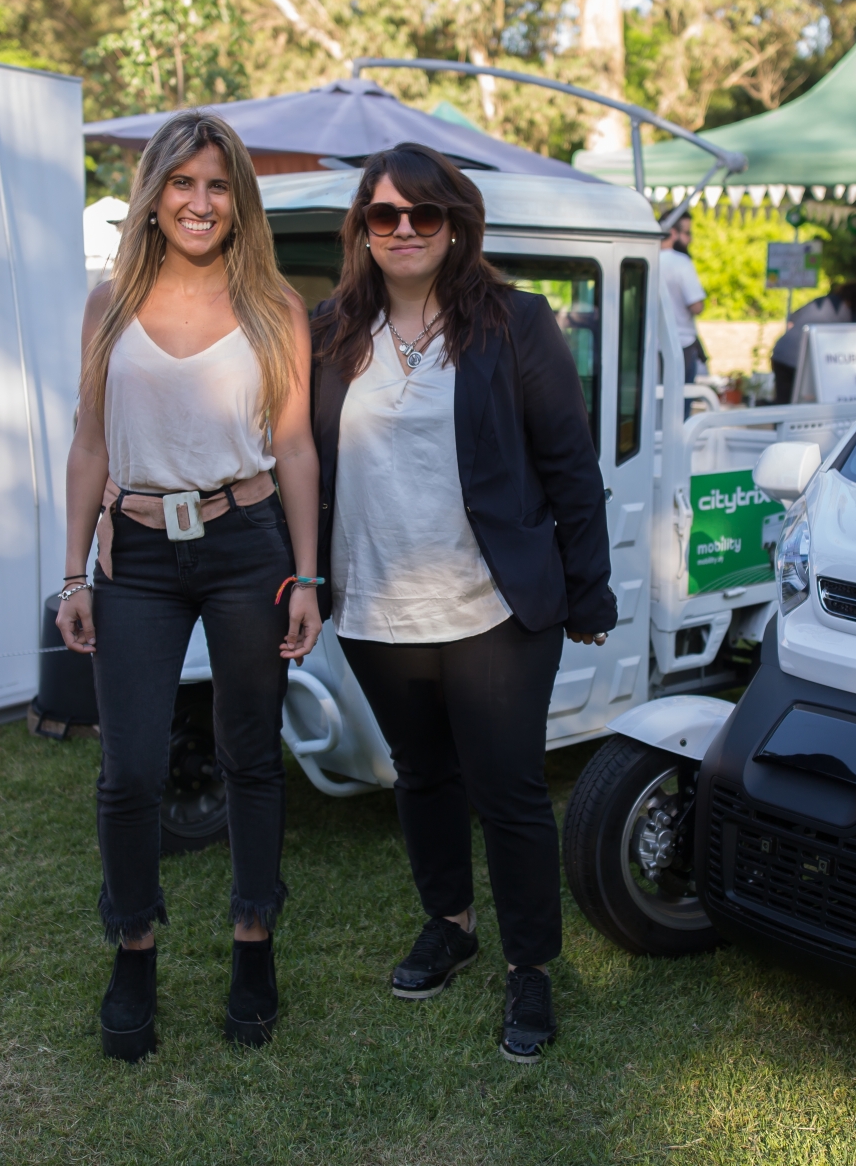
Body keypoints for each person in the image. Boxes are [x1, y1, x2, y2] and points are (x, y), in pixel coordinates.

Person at [309, 143, 616, 1064]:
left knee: (510, 790)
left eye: (424, 215)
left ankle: (530, 967)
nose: (403, 230)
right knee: (422, 775)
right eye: (384, 215)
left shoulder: (514, 323)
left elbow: (570, 463)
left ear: (456, 224)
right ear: (362, 227)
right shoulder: (330, 331)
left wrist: (589, 590)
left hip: (494, 605)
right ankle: (450, 920)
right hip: (374, 602)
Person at [55, 112, 321, 1060]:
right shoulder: (107, 306)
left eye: (217, 185)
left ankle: (254, 943)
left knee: (249, 752)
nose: (199, 202)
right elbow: (89, 443)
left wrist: (306, 574)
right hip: (136, 555)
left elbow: (293, 445)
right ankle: (134, 950)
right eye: (182, 184)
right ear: (154, 198)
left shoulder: (275, 308)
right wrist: (71, 570)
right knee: (128, 770)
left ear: (237, 199)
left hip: (248, 543)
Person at [769, 280, 856, 404]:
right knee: (798, 404)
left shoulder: (821, 301)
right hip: (798, 359)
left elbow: (793, 317)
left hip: (781, 352)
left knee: (783, 401)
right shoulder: (844, 311)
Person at [658, 212, 707, 384]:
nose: (690, 239)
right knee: (680, 404)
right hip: (681, 345)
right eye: (687, 233)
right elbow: (696, 306)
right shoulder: (681, 262)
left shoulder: (645, 259)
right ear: (672, 233)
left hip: (652, 346)